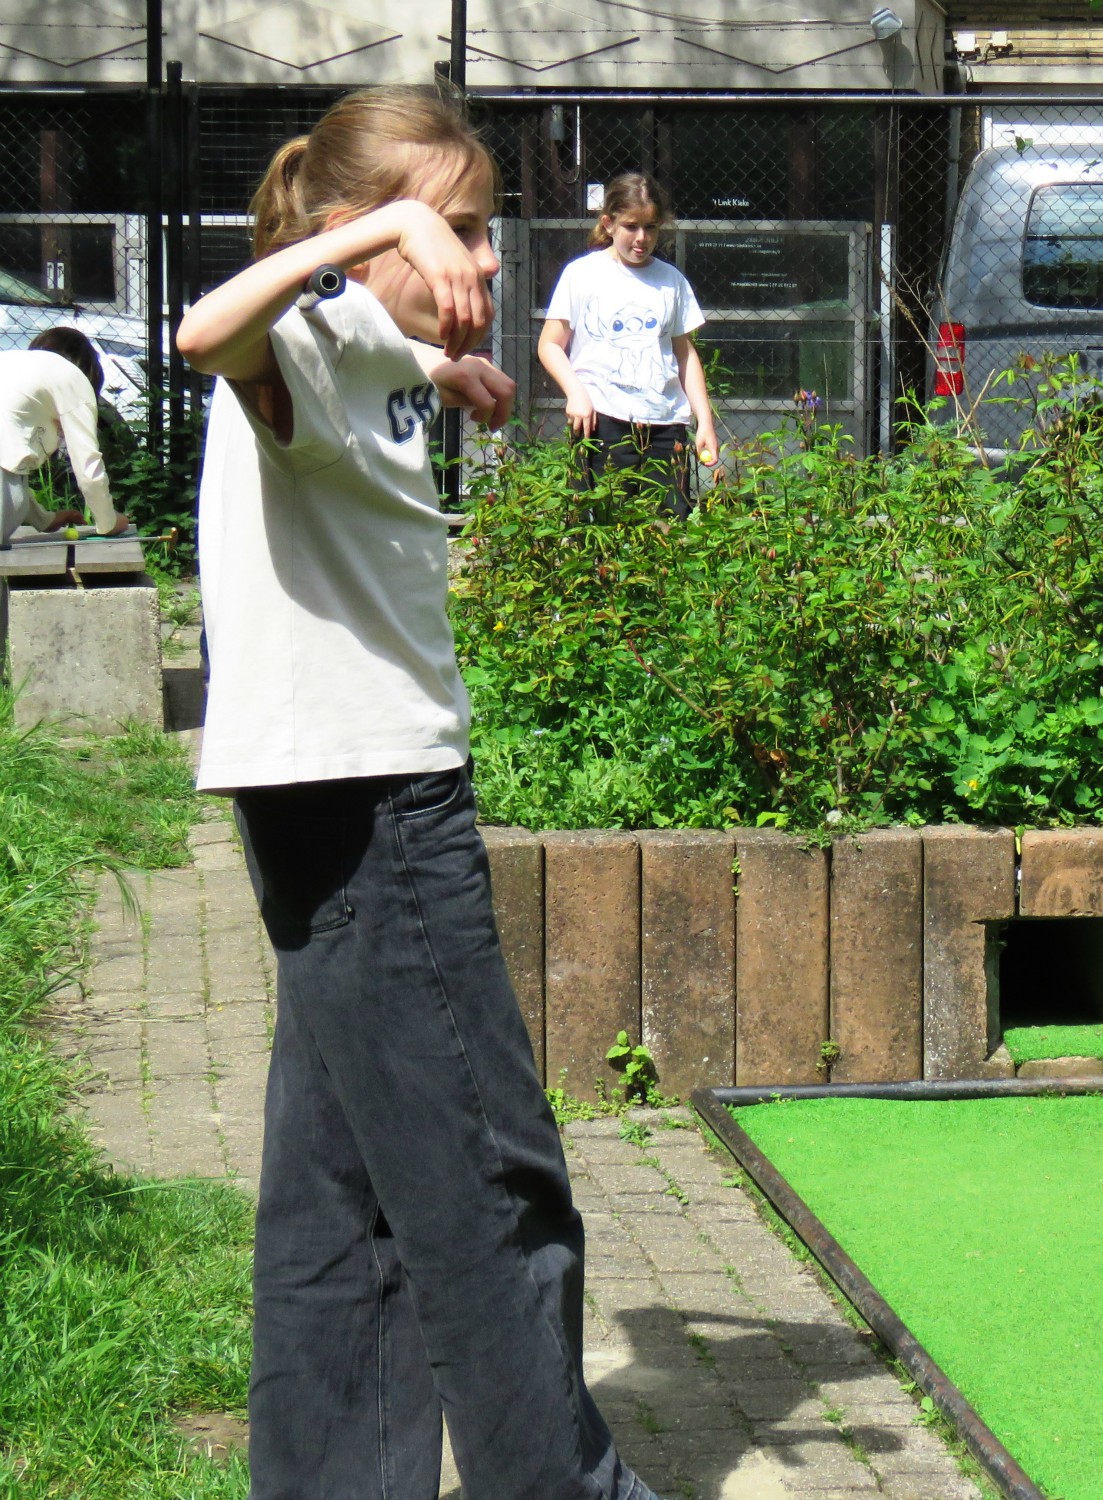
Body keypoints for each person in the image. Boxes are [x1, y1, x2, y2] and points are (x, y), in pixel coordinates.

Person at [175, 85, 661, 1500]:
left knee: (345, 1200)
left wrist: (438, 371)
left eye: (480, 230)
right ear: (351, 233)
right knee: (491, 1186)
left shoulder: (361, 346)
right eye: (454, 229)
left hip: (338, 796)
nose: (485, 260)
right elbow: (213, 333)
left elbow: (336, 375)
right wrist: (374, 231)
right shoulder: (302, 330)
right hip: (377, 802)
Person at [538, 170, 720, 518]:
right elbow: (549, 344)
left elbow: (685, 355)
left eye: (650, 227)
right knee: (603, 526)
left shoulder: (671, 281)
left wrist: (705, 423)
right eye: (631, 226)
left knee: (669, 525)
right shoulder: (582, 275)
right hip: (603, 420)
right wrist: (576, 393)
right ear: (608, 223)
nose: (642, 237)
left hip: (666, 424)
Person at [0, 326, 129, 546]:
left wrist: (45, 520)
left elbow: (8, 468)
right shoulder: (73, 378)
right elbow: (88, 470)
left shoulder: (12, 364)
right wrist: (109, 522)